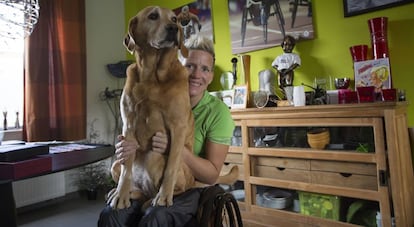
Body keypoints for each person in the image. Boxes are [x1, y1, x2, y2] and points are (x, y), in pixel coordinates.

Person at [98, 35, 235, 227]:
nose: (197, 75)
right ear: (177, 68)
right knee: (111, 216)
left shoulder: (217, 112)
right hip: (148, 180)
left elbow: (211, 175)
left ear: (211, 76)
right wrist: (126, 148)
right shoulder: (154, 100)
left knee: (155, 218)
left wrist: (176, 148)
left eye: (205, 69)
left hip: (189, 187)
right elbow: (140, 141)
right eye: (190, 66)